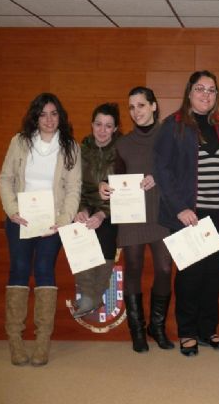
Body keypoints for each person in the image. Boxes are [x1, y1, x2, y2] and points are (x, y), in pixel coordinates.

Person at [0, 93, 81, 366]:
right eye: (43, 114)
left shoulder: (71, 147)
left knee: (45, 270)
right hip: (20, 221)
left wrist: (63, 219)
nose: (49, 119)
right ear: (35, 116)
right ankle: (15, 341)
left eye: (54, 113)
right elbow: (5, 179)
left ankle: (42, 342)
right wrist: (12, 211)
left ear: (61, 116)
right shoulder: (19, 142)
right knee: (19, 270)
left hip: (51, 224)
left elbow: (73, 189)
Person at [154, 70, 219, 357]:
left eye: (211, 90)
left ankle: (207, 329)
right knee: (190, 275)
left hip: (218, 214)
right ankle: (187, 331)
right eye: (200, 88)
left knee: (212, 275)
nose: (206, 95)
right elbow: (162, 171)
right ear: (189, 92)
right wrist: (180, 208)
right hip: (190, 215)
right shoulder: (173, 126)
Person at [100, 87, 172, 353]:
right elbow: (115, 178)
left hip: (162, 214)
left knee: (165, 269)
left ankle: (157, 327)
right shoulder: (123, 143)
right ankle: (137, 331)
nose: (136, 112)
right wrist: (104, 187)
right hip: (131, 217)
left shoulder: (169, 135)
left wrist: (159, 178)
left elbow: (181, 171)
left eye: (141, 105)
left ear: (154, 106)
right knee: (132, 269)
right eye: (131, 107)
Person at [72, 102, 121, 318]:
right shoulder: (80, 151)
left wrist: (102, 214)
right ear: (92, 125)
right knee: (80, 230)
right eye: (98, 124)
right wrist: (80, 210)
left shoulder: (123, 151)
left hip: (114, 209)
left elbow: (126, 191)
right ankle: (87, 295)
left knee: (107, 233)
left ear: (116, 129)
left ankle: (96, 294)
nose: (102, 130)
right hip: (86, 205)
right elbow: (75, 186)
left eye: (108, 126)